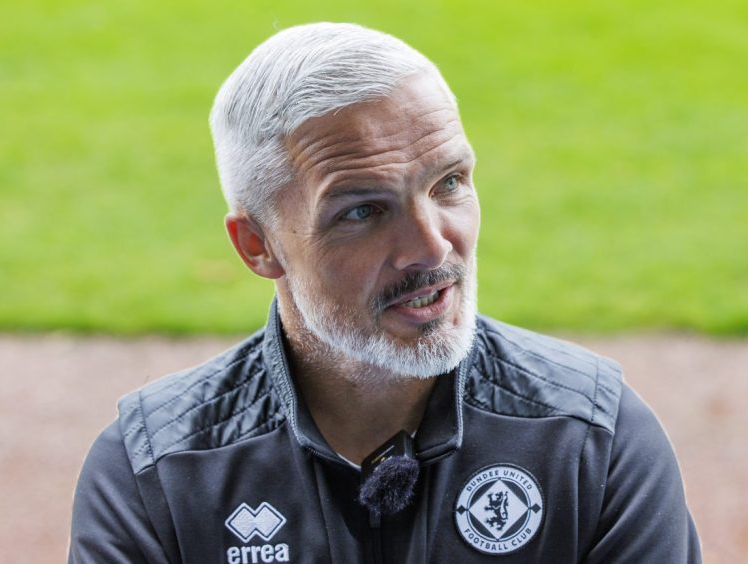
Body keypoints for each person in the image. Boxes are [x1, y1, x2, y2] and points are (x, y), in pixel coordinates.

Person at [69, 22, 700, 563]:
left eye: (450, 182)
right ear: (257, 245)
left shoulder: (593, 441)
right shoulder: (155, 476)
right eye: (363, 212)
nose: (431, 246)